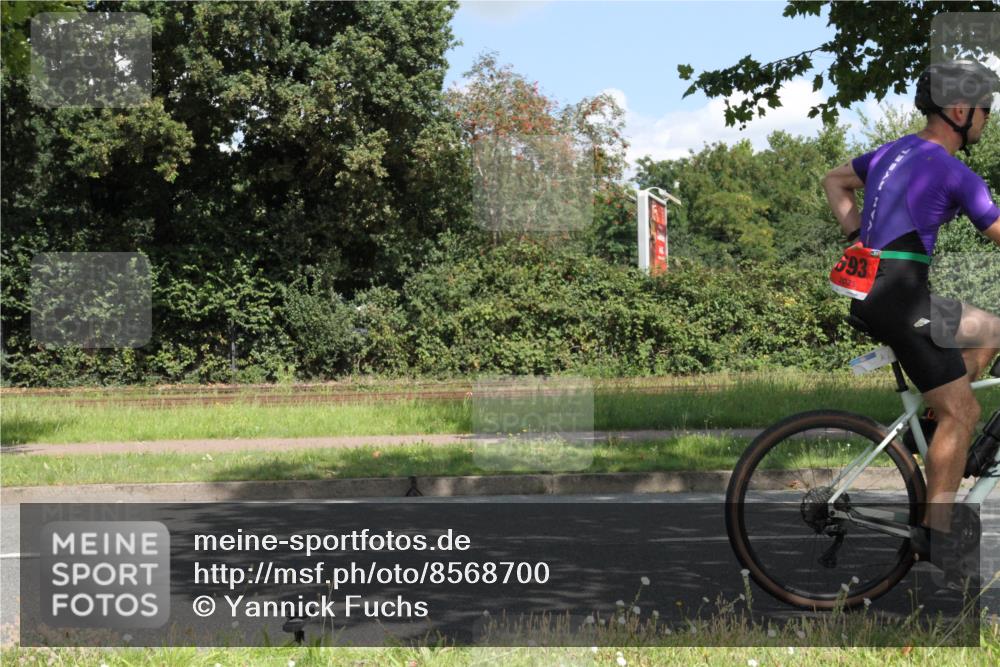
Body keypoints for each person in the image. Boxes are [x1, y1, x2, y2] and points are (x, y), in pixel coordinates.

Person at [821, 60, 1000, 572]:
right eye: (986, 111)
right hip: (900, 300)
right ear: (960, 110)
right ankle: (936, 535)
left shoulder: (893, 151)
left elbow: (835, 181)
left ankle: (934, 427)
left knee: (990, 331)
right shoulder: (951, 169)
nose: (987, 121)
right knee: (963, 411)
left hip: (884, 292)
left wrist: (859, 239)